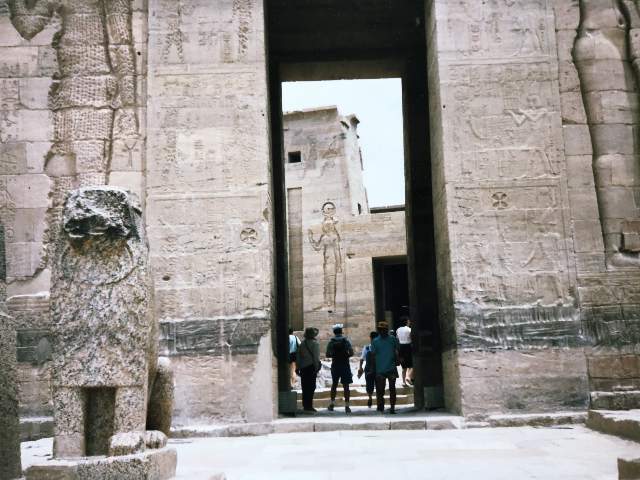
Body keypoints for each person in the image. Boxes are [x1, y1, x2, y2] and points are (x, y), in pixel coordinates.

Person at [371, 321, 399, 414]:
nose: (382, 331)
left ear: (387, 330)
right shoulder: (375, 341)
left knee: (392, 389)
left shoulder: (393, 339)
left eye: (384, 329)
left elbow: (397, 350)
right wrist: (373, 368)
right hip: (380, 369)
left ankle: (392, 407)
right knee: (380, 390)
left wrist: (397, 359)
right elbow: (373, 356)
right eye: (380, 329)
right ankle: (381, 407)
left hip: (391, 367)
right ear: (379, 330)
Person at [326, 323, 354, 413]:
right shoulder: (346, 341)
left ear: (334, 332)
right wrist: (345, 356)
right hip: (345, 365)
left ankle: (332, 404)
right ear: (341, 332)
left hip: (335, 365)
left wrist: (335, 356)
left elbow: (327, 354)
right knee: (346, 386)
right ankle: (347, 406)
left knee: (334, 385)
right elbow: (351, 353)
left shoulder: (331, 342)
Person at [297, 327, 321, 412]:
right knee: (311, 387)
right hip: (311, 367)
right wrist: (316, 368)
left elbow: (298, 356)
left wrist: (298, 367)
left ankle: (305, 405)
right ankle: (309, 406)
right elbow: (315, 357)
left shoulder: (302, 344)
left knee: (305, 387)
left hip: (303, 368)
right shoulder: (315, 344)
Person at [357, 331, 379, 408]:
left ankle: (373, 398)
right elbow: (362, 359)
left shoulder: (368, 348)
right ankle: (372, 398)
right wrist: (360, 368)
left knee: (373, 385)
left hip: (373, 369)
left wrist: (360, 368)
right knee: (373, 385)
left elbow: (361, 359)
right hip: (373, 369)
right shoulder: (368, 348)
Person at [396, 316, 413, 386]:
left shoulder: (398, 330)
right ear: (406, 322)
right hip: (408, 347)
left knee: (404, 367)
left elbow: (397, 339)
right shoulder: (409, 329)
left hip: (401, 348)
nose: (409, 322)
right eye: (408, 321)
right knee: (412, 365)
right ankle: (408, 377)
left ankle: (403, 382)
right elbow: (411, 338)